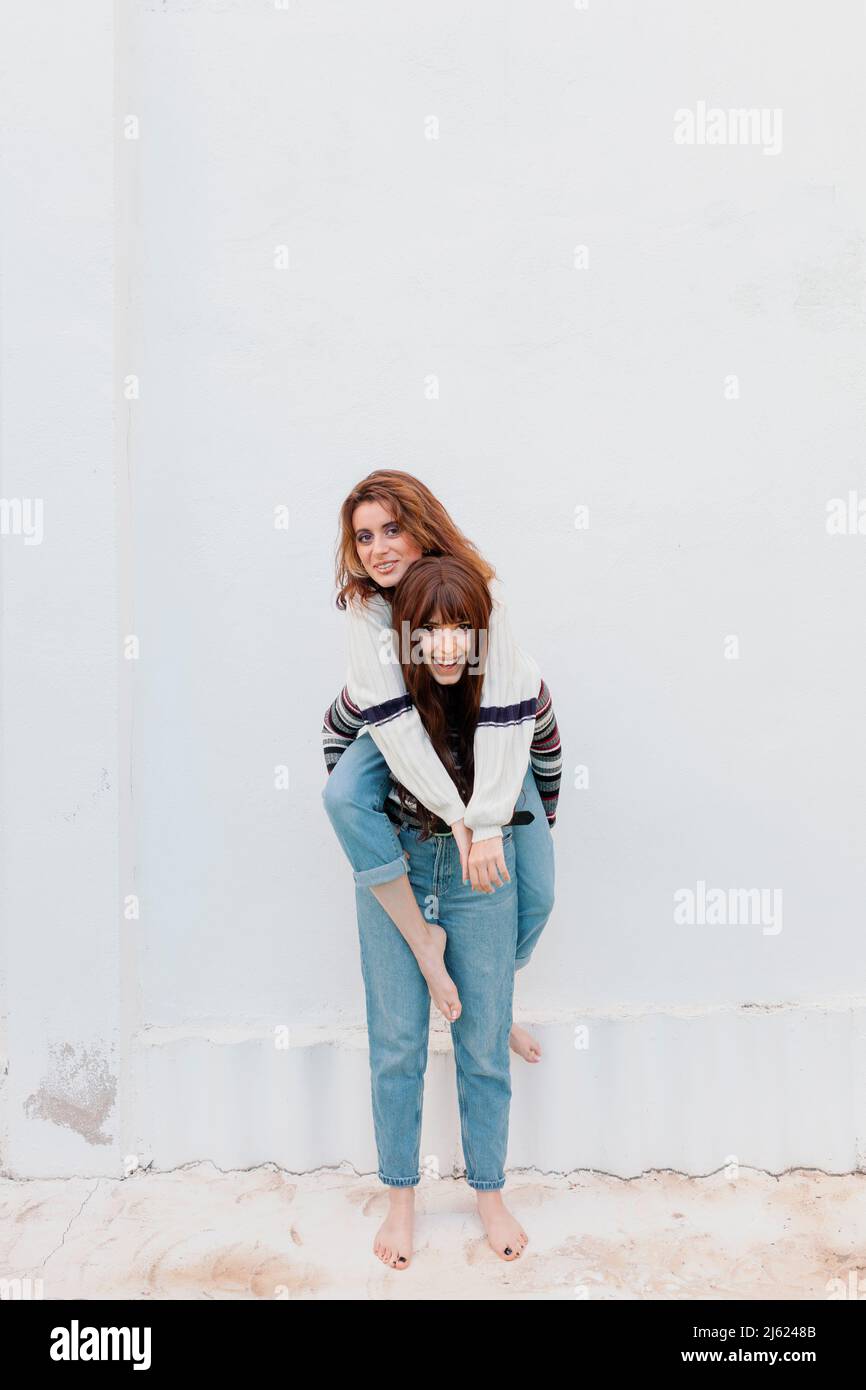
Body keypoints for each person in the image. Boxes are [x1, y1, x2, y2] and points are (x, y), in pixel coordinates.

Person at [322, 554, 561, 1268]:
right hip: (401, 865)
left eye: (463, 629)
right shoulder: (378, 693)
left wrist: (521, 832)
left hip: (482, 865)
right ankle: (402, 1198)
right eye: (429, 630)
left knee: (482, 1045)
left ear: (484, 634)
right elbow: (336, 751)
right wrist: (380, 841)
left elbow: (546, 759)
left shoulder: (515, 691)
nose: (447, 645)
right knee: (397, 1043)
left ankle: (488, 1192)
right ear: (404, 639)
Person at [321, 469, 556, 1053]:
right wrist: (457, 819)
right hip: (384, 729)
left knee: (541, 890)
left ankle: (493, 1003)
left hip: (491, 744)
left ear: (422, 529)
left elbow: (509, 708)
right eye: (365, 537)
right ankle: (425, 944)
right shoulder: (368, 606)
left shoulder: (478, 591)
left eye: (392, 529)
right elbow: (396, 729)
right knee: (344, 795)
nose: (378, 549)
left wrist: (513, 825)